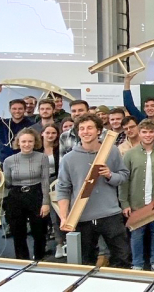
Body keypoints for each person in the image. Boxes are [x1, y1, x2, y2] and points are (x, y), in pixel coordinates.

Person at [56, 114, 131, 267]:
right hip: (82, 217)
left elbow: (124, 176)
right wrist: (64, 217)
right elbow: (63, 189)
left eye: (90, 128)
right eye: (82, 129)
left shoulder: (112, 151)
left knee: (122, 257)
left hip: (111, 214)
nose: (86, 132)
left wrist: (110, 175)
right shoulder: (68, 159)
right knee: (86, 261)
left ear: (98, 131)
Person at [120, 120, 154, 273]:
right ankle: (137, 264)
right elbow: (124, 180)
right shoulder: (129, 154)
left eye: (150, 132)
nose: (148, 135)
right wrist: (124, 203)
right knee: (137, 234)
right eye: (144, 132)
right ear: (139, 133)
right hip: (136, 202)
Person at [3, 128, 50, 260]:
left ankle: (39, 259)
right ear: (18, 142)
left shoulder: (42, 158)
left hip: (36, 194)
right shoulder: (9, 161)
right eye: (23, 141)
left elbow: (45, 181)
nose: (27, 144)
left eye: (30, 141)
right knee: (18, 232)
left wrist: (46, 203)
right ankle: (22, 260)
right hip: (16, 196)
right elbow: (7, 183)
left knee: (39, 231)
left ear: (35, 142)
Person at [0, 83, 35, 165]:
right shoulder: (2, 123)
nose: (17, 111)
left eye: (20, 109)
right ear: (9, 110)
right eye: (14, 109)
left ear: (24, 110)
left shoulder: (31, 125)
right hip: (5, 162)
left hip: (25, 162)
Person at [39, 123, 65, 259]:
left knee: (56, 216)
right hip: (40, 184)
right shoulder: (37, 148)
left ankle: (59, 244)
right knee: (42, 215)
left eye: (53, 133)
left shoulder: (59, 148)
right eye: (47, 133)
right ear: (42, 133)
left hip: (56, 183)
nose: (50, 136)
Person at [123, 73, 154, 143]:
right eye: (147, 106)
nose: (149, 108)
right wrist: (127, 81)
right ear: (144, 109)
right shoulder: (141, 119)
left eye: (152, 106)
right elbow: (129, 105)